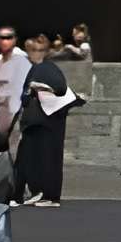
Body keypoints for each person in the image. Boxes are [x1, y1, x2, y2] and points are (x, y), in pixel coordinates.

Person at [17, 33, 73, 206]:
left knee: (49, 156)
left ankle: (50, 196)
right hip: (37, 122)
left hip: (48, 121)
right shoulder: (35, 69)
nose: (36, 53)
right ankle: (39, 192)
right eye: (32, 50)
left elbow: (60, 87)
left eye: (39, 50)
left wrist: (38, 88)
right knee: (33, 157)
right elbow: (24, 96)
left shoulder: (48, 68)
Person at [0, 25, 30, 138]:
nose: (4, 41)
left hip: (16, 114)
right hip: (0, 112)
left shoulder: (21, 59)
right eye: (1, 37)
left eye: (8, 37)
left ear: (15, 39)